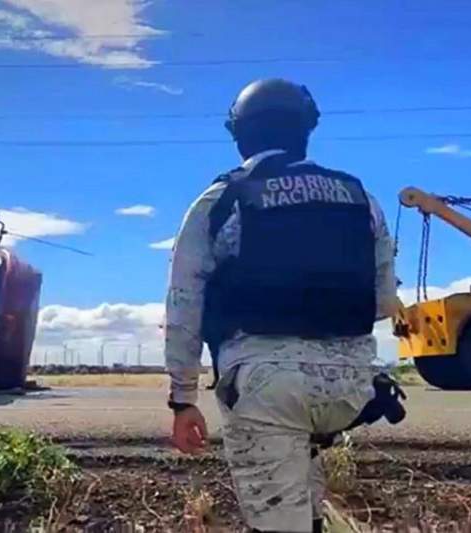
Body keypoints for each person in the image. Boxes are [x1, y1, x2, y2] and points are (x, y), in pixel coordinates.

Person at [164, 79, 399, 532]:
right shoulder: (360, 197)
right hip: (351, 385)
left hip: (266, 388)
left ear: (239, 135)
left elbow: (184, 302)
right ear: (307, 130)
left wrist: (182, 399)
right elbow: (383, 300)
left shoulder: (221, 199)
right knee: (305, 509)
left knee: (277, 522)